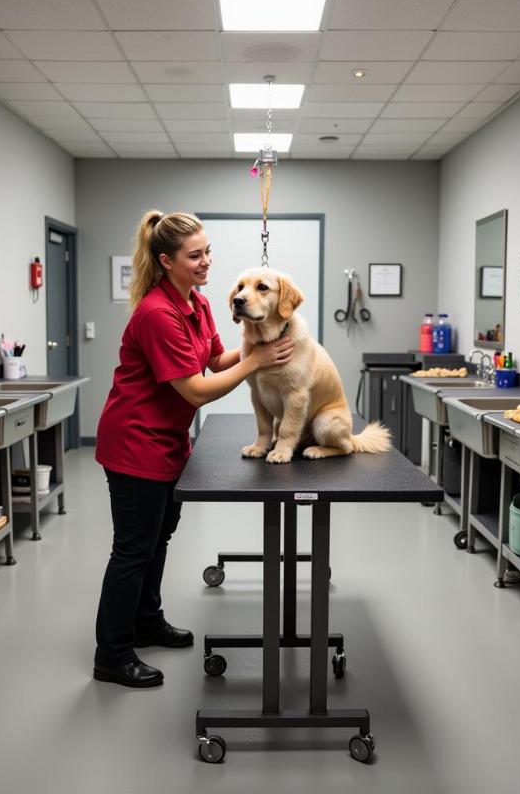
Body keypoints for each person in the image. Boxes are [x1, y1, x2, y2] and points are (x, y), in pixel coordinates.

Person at [93, 210, 294, 688]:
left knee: (156, 540)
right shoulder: (157, 314)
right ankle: (112, 654)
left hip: (167, 444)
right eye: (195, 255)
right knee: (132, 550)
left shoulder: (197, 304)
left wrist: (260, 341)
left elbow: (215, 358)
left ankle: (147, 620)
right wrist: (258, 361)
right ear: (166, 261)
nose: (207, 262)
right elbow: (198, 389)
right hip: (134, 443)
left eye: (208, 252)